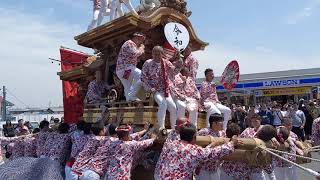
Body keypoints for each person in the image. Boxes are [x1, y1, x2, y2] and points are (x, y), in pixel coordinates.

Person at [154, 123, 238, 180]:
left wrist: (213, 144)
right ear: (194, 137)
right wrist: (231, 143)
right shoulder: (193, 150)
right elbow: (213, 153)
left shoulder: (169, 144)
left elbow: (202, 152)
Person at [141, 46, 181, 129]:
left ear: (162, 54)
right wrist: (149, 88)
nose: (157, 55)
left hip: (165, 90)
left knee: (173, 107)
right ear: (152, 54)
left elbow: (174, 72)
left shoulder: (166, 62)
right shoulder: (148, 63)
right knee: (163, 104)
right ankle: (161, 127)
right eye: (155, 54)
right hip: (155, 90)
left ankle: (174, 128)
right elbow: (143, 77)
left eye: (159, 54)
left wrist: (179, 65)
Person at [116, 32, 145, 101]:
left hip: (123, 70)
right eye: (140, 39)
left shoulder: (131, 44)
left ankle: (129, 99)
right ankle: (131, 95)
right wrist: (142, 48)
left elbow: (133, 56)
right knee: (142, 75)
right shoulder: (130, 43)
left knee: (127, 85)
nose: (140, 41)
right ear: (135, 37)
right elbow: (136, 53)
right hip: (126, 68)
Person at [196, 113, 226, 180]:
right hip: (204, 168)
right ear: (214, 123)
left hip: (216, 167)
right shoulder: (204, 132)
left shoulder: (223, 133)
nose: (222, 124)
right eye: (221, 122)